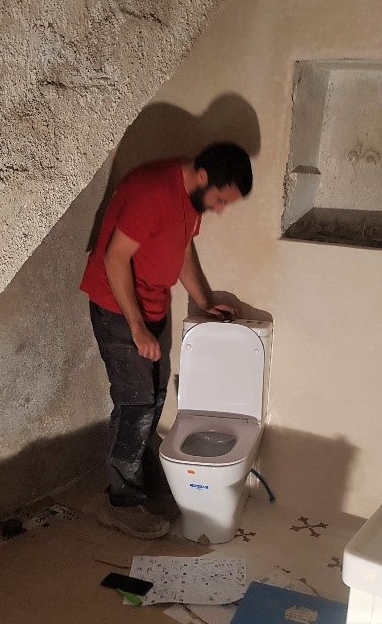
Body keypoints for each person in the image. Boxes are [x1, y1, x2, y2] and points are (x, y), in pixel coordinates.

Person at [81, 142, 253, 538]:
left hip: (153, 306)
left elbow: (182, 248)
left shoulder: (189, 197)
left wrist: (203, 300)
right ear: (203, 177)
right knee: (136, 405)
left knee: (155, 396)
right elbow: (114, 258)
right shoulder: (153, 192)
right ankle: (120, 501)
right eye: (220, 200)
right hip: (117, 309)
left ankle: (141, 477)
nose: (220, 210)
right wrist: (137, 327)